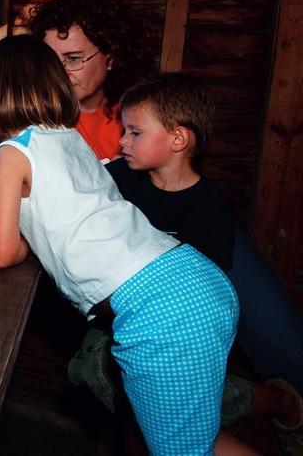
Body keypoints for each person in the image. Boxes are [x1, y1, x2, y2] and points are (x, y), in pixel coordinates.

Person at [0, 35, 239, 455]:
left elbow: (3, 254)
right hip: (191, 279)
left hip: (160, 310)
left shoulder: (10, 151)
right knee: (194, 440)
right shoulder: (70, 138)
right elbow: (48, 230)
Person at [109, 74, 302, 434]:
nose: (122, 141)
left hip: (183, 328)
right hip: (136, 317)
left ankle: (283, 405)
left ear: (178, 138)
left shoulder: (211, 208)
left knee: (194, 401)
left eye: (134, 132)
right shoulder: (121, 176)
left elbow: (209, 286)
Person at [27, 0, 154, 162]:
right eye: (50, 60)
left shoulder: (142, 116)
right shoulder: (33, 114)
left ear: (110, 59)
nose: (59, 74)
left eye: (73, 59)